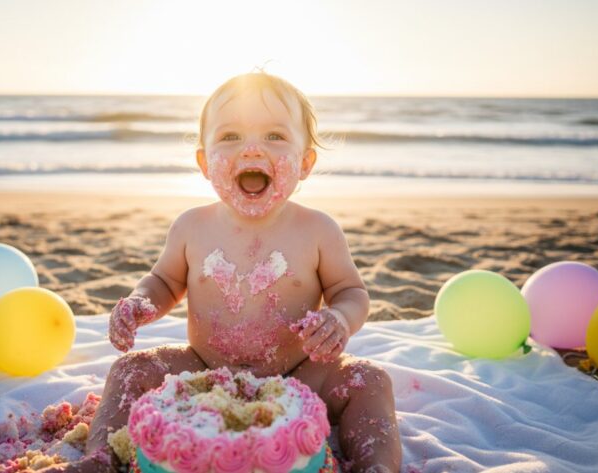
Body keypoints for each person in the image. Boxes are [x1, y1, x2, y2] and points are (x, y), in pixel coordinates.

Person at [61, 72, 401, 472]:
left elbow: (351, 291)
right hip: (202, 372)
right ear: (204, 163)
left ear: (305, 161)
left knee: (370, 380)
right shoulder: (191, 226)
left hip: (299, 376)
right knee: (128, 370)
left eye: (275, 136)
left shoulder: (318, 230)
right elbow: (165, 281)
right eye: (230, 137)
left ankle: (375, 466)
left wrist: (339, 319)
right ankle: (100, 459)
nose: (253, 149)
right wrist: (141, 302)